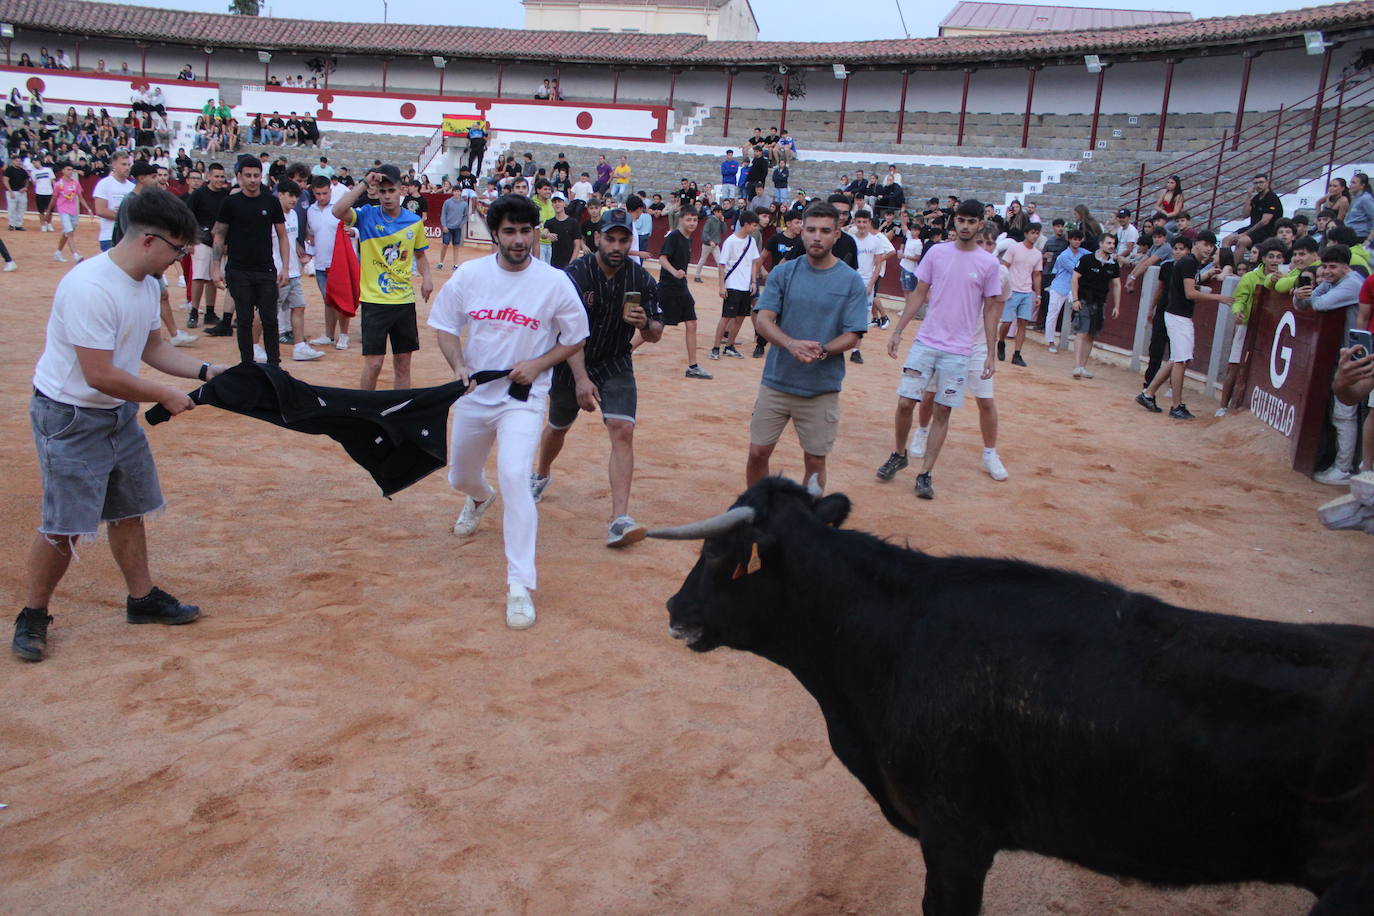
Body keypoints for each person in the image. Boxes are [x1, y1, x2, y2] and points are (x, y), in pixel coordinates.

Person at [14, 189, 231, 662]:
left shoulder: (147, 284)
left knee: (129, 508)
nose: (179, 260)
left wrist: (205, 371)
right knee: (64, 524)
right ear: (149, 240)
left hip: (117, 412)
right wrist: (165, 394)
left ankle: (142, 598)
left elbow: (153, 348)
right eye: (178, 250)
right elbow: (99, 373)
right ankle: (33, 614)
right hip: (70, 418)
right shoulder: (89, 287)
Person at [429, 194, 590, 629]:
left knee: (516, 477)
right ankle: (480, 497)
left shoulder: (554, 282)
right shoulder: (470, 275)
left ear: (535, 232)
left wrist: (538, 365)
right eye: (509, 232)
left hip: (523, 399)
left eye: (525, 231)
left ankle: (519, 584)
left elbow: (575, 337)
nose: (519, 240)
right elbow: (445, 326)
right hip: (475, 394)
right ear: (495, 235)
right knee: (460, 476)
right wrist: (458, 365)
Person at [532, 209, 664, 547]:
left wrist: (645, 324)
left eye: (623, 240)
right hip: (569, 360)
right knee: (558, 426)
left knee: (622, 428)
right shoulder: (574, 275)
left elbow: (656, 332)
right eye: (611, 239)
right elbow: (566, 332)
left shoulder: (641, 279)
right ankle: (541, 473)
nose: (617, 246)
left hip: (614, 361)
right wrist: (580, 379)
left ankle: (619, 518)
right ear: (598, 239)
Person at [879, 199, 1000, 500]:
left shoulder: (989, 264)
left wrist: (991, 352)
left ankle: (925, 472)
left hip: (959, 350)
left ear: (980, 225)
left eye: (971, 221)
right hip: (926, 342)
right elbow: (919, 294)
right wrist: (898, 330)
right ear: (954, 221)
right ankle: (899, 453)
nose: (966, 226)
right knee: (905, 402)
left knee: (943, 410)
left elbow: (990, 311)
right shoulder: (936, 252)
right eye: (962, 220)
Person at [745, 201, 869, 489]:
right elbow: (763, 320)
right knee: (758, 452)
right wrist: (790, 344)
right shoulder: (783, 273)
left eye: (825, 231)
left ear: (836, 235)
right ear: (801, 232)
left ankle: (806, 516)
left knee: (815, 460)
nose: (816, 237)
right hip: (777, 381)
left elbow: (854, 334)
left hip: (821, 388)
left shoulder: (851, 281)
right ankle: (757, 509)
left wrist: (822, 350)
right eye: (811, 230)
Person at [332, 164, 434, 390]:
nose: (387, 196)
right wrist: (364, 183)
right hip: (374, 302)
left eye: (391, 191)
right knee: (374, 364)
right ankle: (365, 407)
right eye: (382, 191)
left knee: (403, 364)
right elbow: (337, 211)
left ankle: (400, 408)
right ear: (377, 192)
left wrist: (427, 277)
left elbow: (420, 255)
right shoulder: (367, 215)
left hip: (404, 302)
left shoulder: (414, 221)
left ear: (401, 190)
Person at [1138, 230, 1230, 420]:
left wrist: (1207, 275)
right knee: (1180, 360)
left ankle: (1148, 394)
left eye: (1211, 246)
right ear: (1197, 244)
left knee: (1176, 359)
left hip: (1177, 314)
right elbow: (1190, 293)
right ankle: (1176, 405)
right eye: (1206, 244)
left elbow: (1188, 284)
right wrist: (1219, 297)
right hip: (1179, 316)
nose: (1209, 249)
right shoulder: (1189, 262)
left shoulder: (1190, 263)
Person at [207, 155, 290, 365]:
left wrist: (285, 267)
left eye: (256, 175)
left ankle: (274, 365)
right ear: (239, 177)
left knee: (270, 319)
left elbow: (282, 236)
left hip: (265, 270)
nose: (253, 180)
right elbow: (219, 235)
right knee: (244, 319)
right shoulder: (230, 203)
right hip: (238, 270)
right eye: (248, 175)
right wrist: (215, 268)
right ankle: (247, 365)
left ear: (261, 176)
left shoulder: (271, 201)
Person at [1295, 244, 1365, 484]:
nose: (1326, 271)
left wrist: (1310, 296)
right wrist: (1299, 295)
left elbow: (1320, 304)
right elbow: (1305, 303)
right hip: (1347, 355)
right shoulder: (1333, 282)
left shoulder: (1352, 284)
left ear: (1346, 267)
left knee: (1345, 413)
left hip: (1357, 358)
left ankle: (1344, 468)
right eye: (1324, 266)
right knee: (1342, 413)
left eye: (1332, 267)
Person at [1216, 239, 1285, 417]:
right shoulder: (1250, 277)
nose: (1275, 260)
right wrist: (1237, 312)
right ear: (1264, 258)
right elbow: (1240, 299)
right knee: (1235, 366)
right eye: (1271, 256)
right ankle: (1223, 406)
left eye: (1278, 257)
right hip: (1248, 327)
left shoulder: (1286, 277)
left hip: (1272, 332)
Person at [658, 205, 710, 379]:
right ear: (680, 220)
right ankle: (624, 354)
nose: (692, 223)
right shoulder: (674, 237)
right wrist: (674, 272)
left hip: (681, 287)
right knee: (656, 326)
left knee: (692, 323)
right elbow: (662, 258)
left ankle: (693, 366)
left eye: (694, 220)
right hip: (668, 288)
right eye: (688, 220)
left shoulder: (688, 239)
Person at [303, 176, 350, 350]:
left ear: (330, 190)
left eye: (325, 193)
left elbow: (352, 228)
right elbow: (312, 235)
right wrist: (310, 254)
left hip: (339, 262)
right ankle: (329, 335)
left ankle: (343, 335)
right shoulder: (311, 210)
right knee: (328, 300)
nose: (322, 197)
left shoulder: (340, 208)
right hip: (321, 263)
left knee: (341, 301)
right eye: (318, 194)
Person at [710, 209, 762, 360]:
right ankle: (715, 347)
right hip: (732, 284)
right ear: (745, 224)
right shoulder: (730, 241)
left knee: (740, 318)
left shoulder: (751, 241)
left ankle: (729, 346)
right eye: (754, 225)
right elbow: (721, 265)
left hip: (746, 286)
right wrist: (722, 286)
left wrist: (753, 282)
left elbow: (753, 262)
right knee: (726, 317)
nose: (755, 228)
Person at [1068, 232, 1121, 379]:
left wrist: (1117, 306)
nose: (1111, 246)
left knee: (1091, 334)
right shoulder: (1087, 259)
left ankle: (1082, 366)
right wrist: (1075, 299)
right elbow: (1075, 278)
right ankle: (1077, 366)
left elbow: (1117, 284)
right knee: (1082, 332)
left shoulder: (1113, 264)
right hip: (1084, 300)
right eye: (1108, 243)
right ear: (1100, 243)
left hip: (1100, 302)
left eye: (1113, 243)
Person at [185, 161, 230, 330]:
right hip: (201, 240)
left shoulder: (226, 195)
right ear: (209, 176)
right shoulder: (198, 195)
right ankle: (194, 311)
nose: (219, 179)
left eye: (222, 177)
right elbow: (188, 217)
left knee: (213, 278)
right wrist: (189, 240)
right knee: (199, 277)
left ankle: (210, 312)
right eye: (216, 176)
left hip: (219, 243)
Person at [997, 223, 1042, 366]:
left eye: (1037, 233)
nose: (1035, 236)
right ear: (1026, 233)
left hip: (1027, 291)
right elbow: (1004, 267)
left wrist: (1038, 295)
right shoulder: (1014, 248)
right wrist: (1002, 286)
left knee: (1023, 323)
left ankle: (1017, 354)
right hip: (1012, 290)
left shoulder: (1037, 254)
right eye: (1032, 233)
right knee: (1007, 323)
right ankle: (1001, 341)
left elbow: (1037, 275)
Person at [1224, 173, 1282, 265]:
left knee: (1241, 241)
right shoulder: (1256, 198)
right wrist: (1249, 196)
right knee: (1226, 239)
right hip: (1253, 228)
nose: (1258, 185)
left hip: (1267, 231)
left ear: (1267, 183)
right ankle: (1225, 266)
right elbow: (1245, 215)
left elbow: (1264, 222)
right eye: (1255, 183)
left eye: (1261, 182)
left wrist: (1245, 233)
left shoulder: (1272, 198)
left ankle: (1234, 268)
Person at [48, 160, 92, 263]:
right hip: (63, 210)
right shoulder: (58, 184)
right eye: (68, 169)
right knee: (69, 232)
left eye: (71, 170)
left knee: (67, 232)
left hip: (73, 211)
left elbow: (80, 197)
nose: (70, 172)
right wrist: (49, 211)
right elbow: (53, 198)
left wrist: (88, 209)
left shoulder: (75, 183)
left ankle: (58, 252)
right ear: (63, 171)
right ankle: (75, 254)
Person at [92, 151, 133, 252]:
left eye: (129, 165)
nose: (127, 168)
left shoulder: (132, 186)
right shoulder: (104, 184)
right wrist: (124, 218)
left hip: (129, 237)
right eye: (123, 164)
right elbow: (101, 210)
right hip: (109, 236)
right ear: (114, 165)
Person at [437, 184, 469, 270]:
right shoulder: (447, 202)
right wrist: (444, 225)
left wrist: (461, 224)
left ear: (460, 192)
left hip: (457, 227)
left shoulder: (464, 204)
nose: (456, 193)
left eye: (458, 191)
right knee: (445, 244)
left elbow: (465, 216)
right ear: (453, 192)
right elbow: (443, 214)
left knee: (456, 246)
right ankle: (441, 262)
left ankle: (455, 264)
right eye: (455, 191)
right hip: (448, 227)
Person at [694, 204, 725, 283]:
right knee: (702, 260)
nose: (720, 214)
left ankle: (722, 279)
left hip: (715, 245)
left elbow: (724, 231)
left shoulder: (719, 221)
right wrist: (710, 241)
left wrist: (723, 222)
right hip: (707, 245)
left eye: (721, 212)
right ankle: (697, 276)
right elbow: (705, 232)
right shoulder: (710, 220)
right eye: (719, 212)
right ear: (715, 212)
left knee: (719, 262)